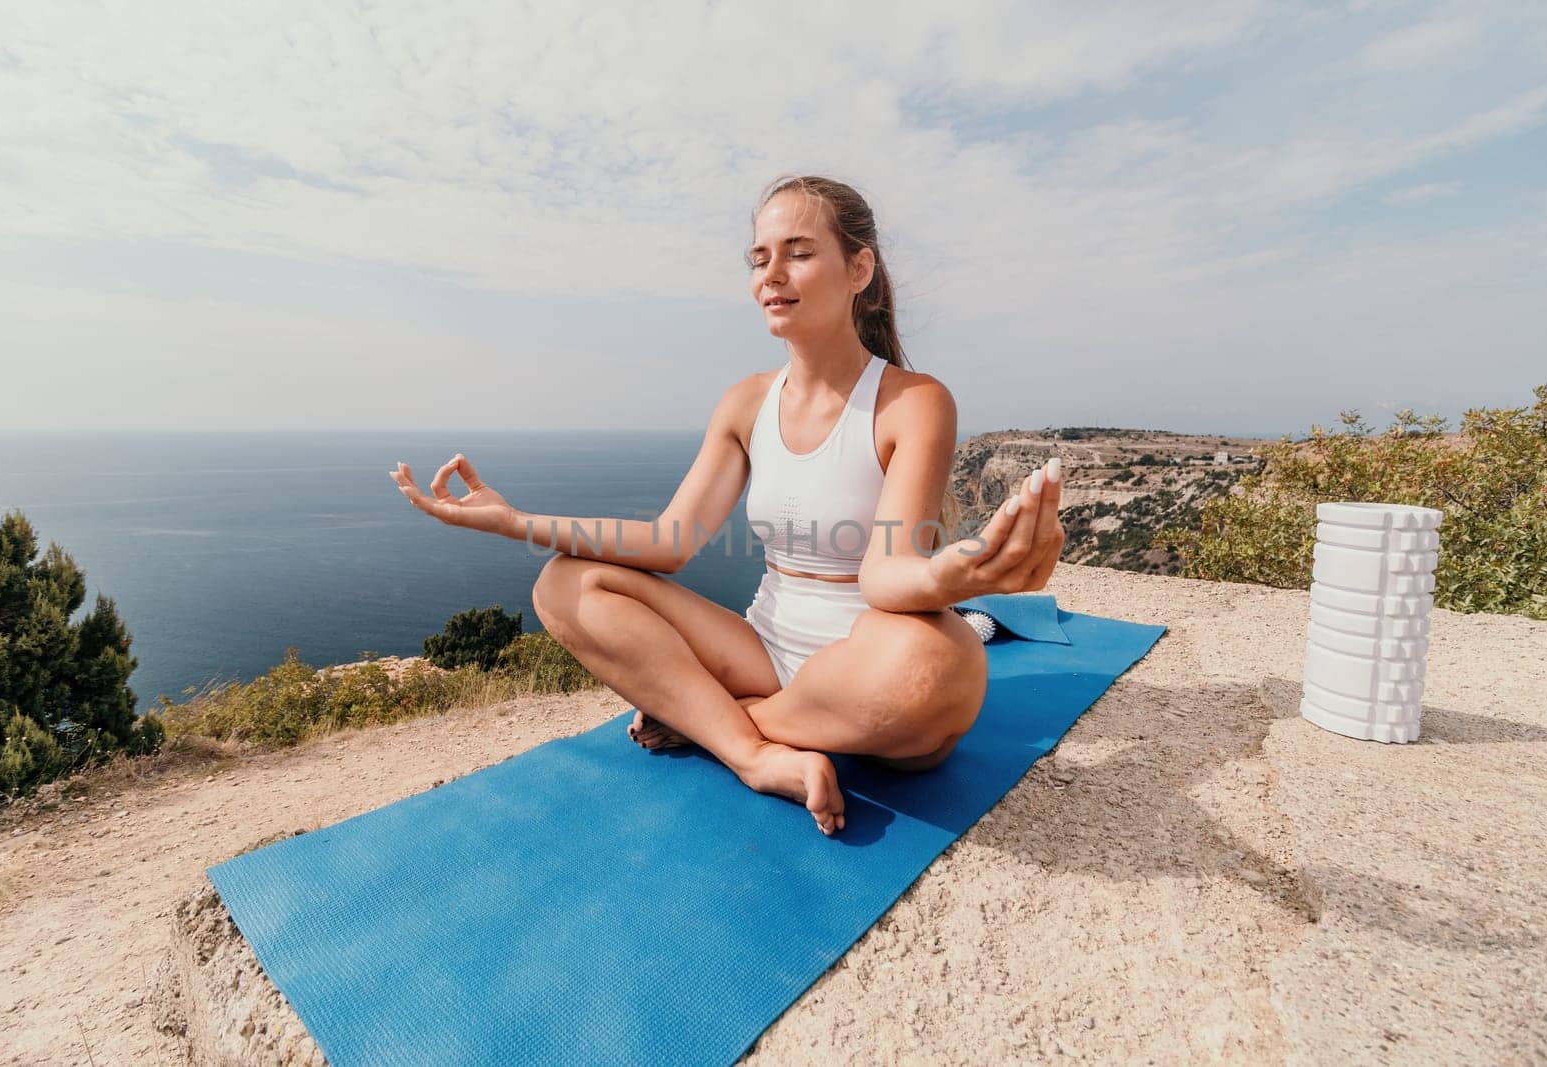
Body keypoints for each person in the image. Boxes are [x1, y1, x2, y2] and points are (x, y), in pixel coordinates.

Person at [390, 174, 1065, 837]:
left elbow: (885, 576)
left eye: (799, 252)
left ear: (859, 268)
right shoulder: (746, 403)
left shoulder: (913, 402)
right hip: (764, 648)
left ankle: (713, 718)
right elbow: (670, 540)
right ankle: (752, 752)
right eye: (759, 258)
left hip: (868, 662)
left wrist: (955, 576)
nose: (771, 273)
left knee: (941, 666)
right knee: (565, 582)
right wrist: (514, 521)